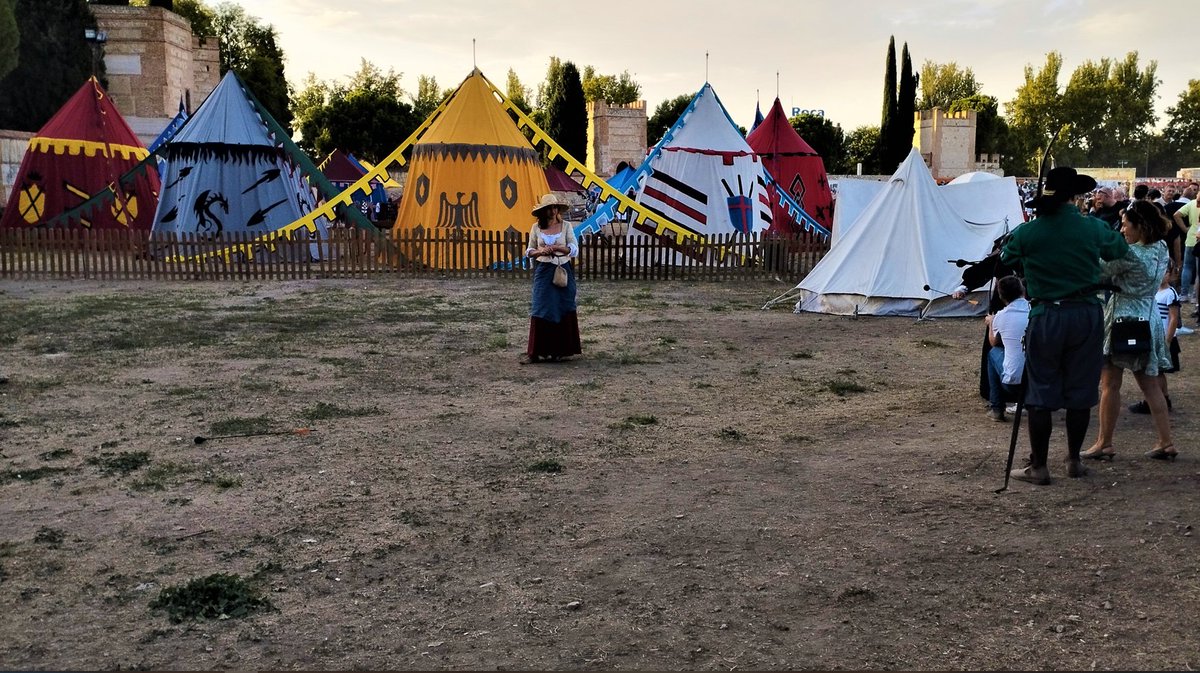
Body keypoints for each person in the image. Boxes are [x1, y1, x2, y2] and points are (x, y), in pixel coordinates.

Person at [999, 167, 1130, 485]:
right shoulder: (1091, 227)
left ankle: (1040, 466)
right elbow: (1119, 249)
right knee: (1081, 389)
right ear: (1074, 197)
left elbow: (1006, 257)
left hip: (1047, 315)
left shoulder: (1028, 232)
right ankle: (1073, 461)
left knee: (1041, 391)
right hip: (1086, 315)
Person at [1082, 201, 1175, 462]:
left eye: (1125, 225)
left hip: (1124, 318)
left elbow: (1098, 269)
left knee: (1110, 384)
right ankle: (1165, 441)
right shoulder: (1161, 248)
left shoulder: (1129, 255)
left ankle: (1104, 442)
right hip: (1150, 316)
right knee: (1151, 386)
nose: (1122, 230)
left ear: (1139, 226)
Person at [521, 193, 582, 365]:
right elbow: (529, 250)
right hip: (544, 269)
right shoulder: (536, 228)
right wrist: (540, 252)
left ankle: (560, 351)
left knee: (562, 305)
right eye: (549, 208)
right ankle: (536, 352)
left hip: (562, 269)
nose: (553, 211)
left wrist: (557, 248)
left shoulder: (566, 226)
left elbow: (574, 248)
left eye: (555, 208)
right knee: (541, 305)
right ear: (544, 211)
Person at [1128, 267, 1182, 415]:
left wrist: (1168, 340)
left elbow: (1173, 318)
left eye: (1165, 272)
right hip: (1152, 337)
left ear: (1170, 275)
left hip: (1164, 339)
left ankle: (1152, 402)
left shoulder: (1170, 294)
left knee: (1155, 372)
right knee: (1157, 371)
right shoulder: (1152, 292)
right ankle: (1164, 399)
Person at [984, 276, 1029, 422]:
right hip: (1039, 382)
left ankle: (997, 407)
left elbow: (993, 342)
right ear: (1023, 291)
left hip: (1013, 384)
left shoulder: (1001, 316)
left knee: (993, 354)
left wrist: (991, 323)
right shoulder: (1035, 311)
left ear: (1001, 295)